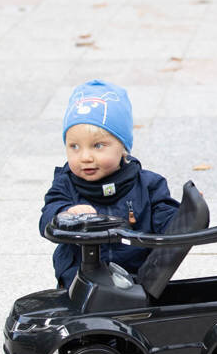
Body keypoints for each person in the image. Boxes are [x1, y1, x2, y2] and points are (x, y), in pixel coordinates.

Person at [40, 79, 179, 287]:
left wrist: (185, 213)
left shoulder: (149, 184)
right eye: (74, 147)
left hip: (136, 278)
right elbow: (47, 217)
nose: (85, 156)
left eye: (98, 145)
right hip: (79, 280)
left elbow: (168, 226)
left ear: (123, 148)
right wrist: (65, 214)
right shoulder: (65, 184)